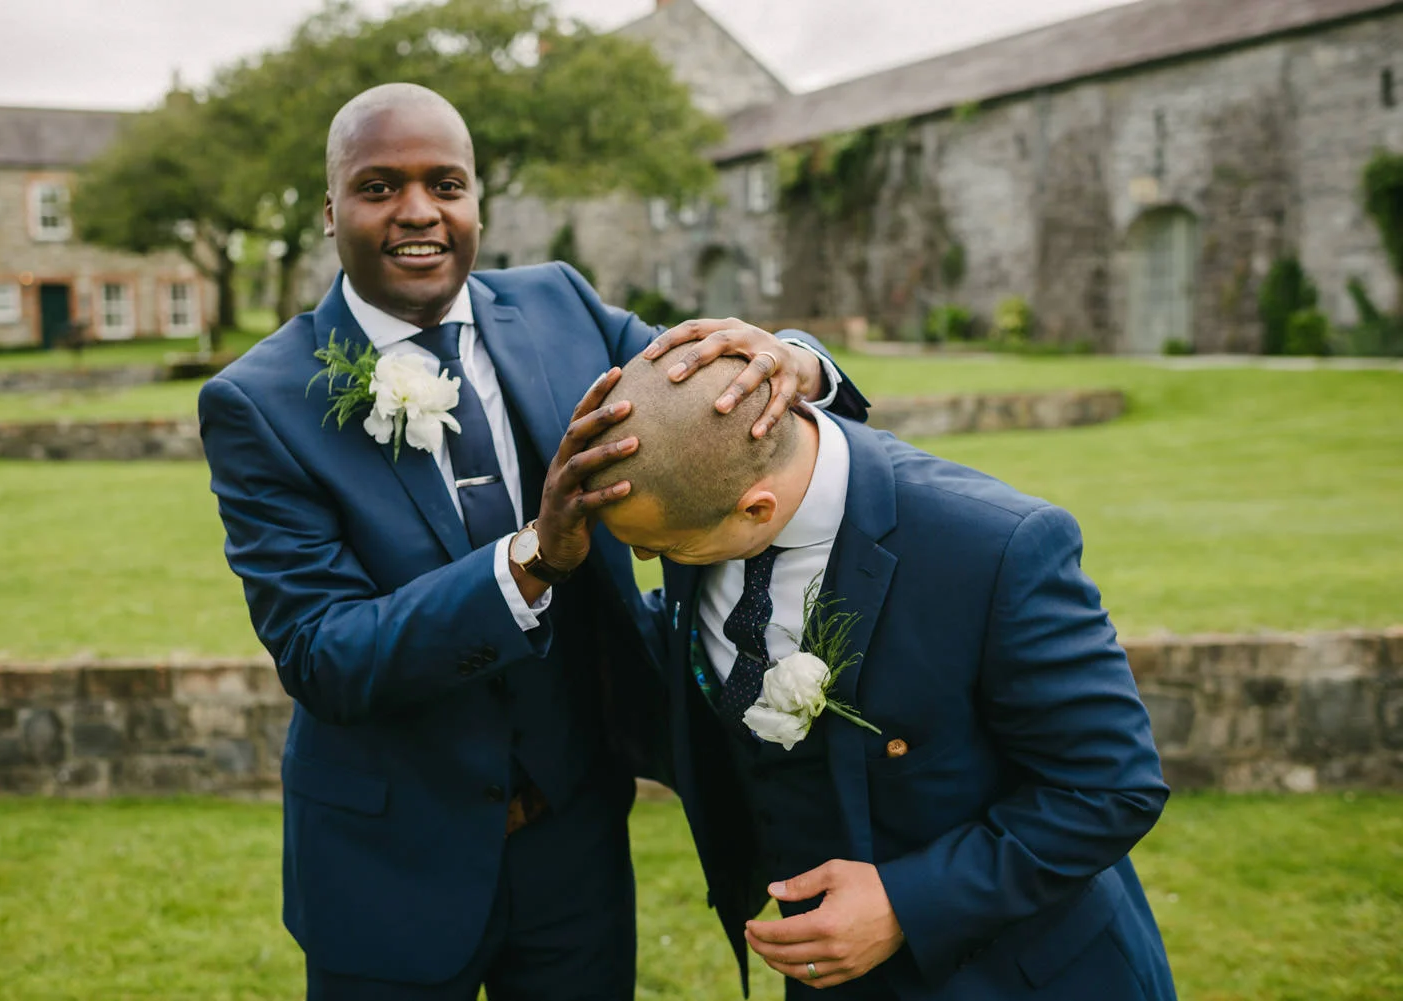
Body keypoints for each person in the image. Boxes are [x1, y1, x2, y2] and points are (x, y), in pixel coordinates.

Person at [196, 83, 867, 1001]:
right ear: (329, 209)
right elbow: (324, 654)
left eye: (447, 183)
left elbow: (715, 376)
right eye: (380, 186)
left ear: (477, 201)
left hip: (575, 847)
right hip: (388, 863)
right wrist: (532, 559)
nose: (419, 211)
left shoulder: (561, 306)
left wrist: (795, 359)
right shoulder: (259, 401)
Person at [586, 356, 1177, 1000]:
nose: (648, 559)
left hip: (1018, 974)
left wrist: (905, 904)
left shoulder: (997, 548)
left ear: (758, 509)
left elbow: (1111, 788)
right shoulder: (702, 478)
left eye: (662, 549)